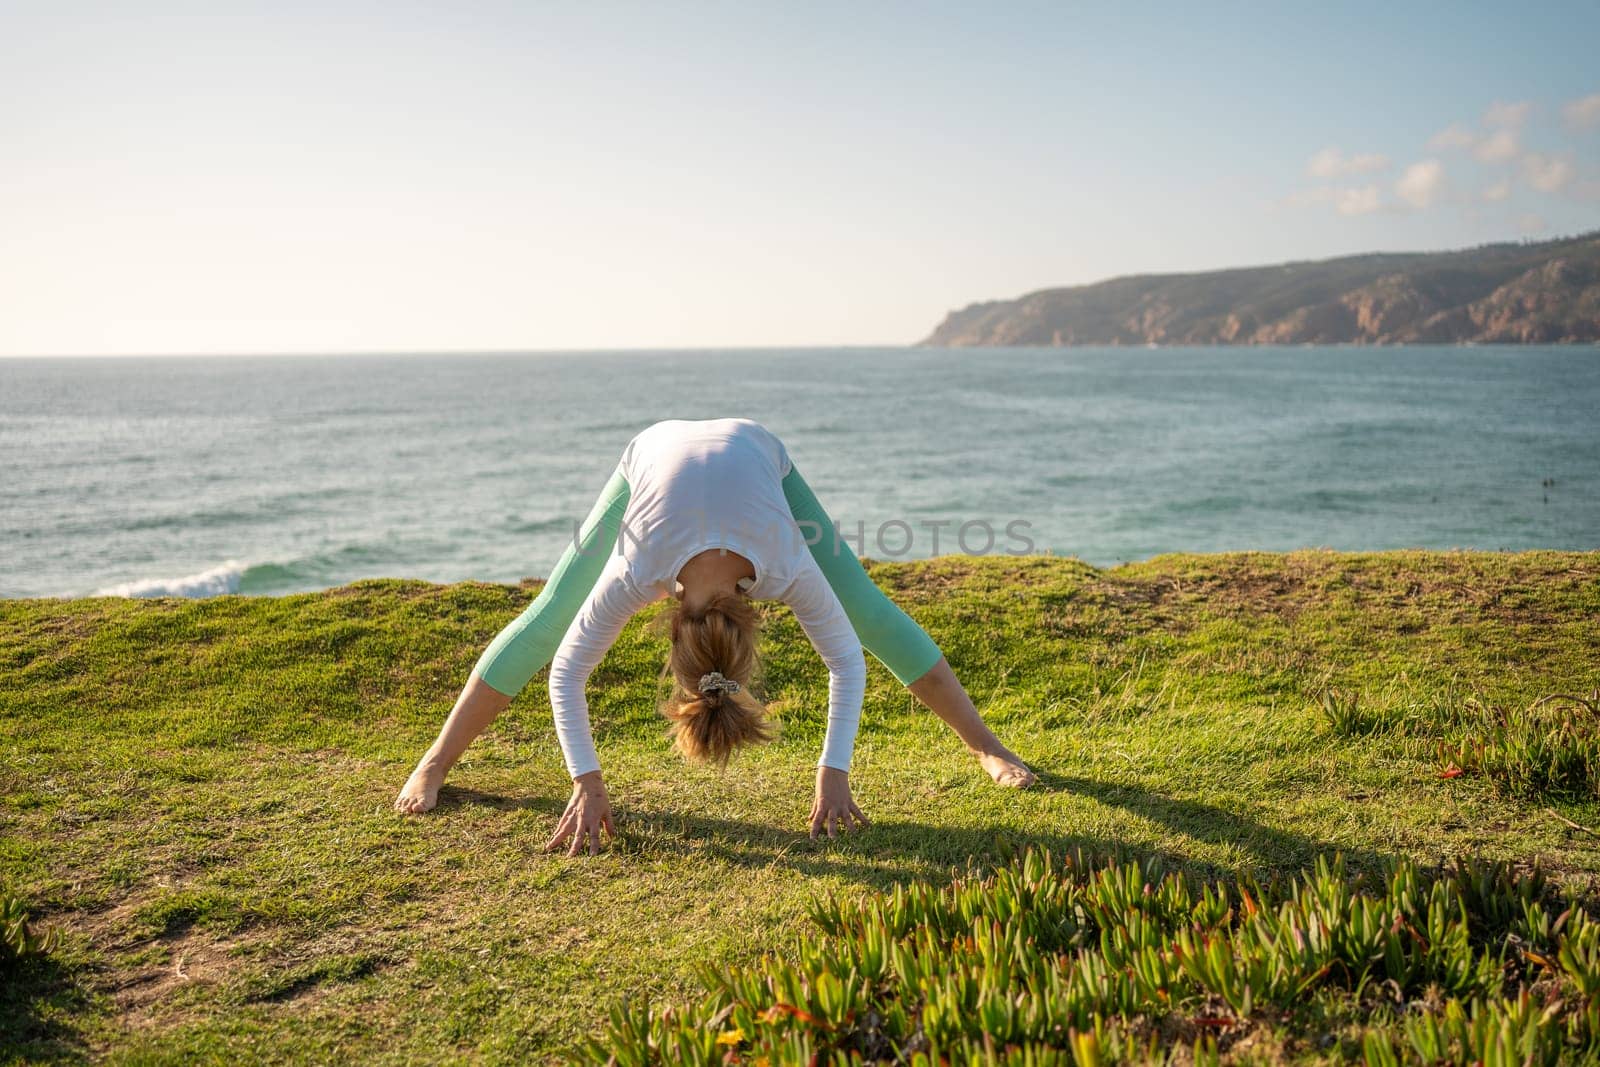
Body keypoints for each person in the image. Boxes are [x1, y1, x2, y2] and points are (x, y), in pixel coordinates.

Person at [393, 418, 1035, 854]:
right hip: (650, 455)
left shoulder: (783, 562)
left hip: (756, 451)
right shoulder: (641, 563)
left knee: (863, 607)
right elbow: (561, 670)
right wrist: (831, 773)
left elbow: (847, 659)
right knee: (553, 612)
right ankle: (435, 761)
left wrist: (588, 781)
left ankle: (985, 746)